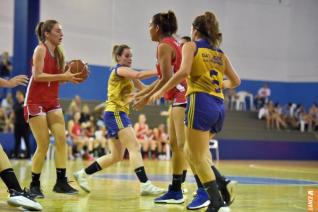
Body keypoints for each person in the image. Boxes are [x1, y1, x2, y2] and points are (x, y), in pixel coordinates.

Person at [150, 11, 241, 212]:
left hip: (200, 102)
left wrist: (161, 91)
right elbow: (236, 81)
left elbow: (182, 72)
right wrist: (216, 84)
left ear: (195, 30)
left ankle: (217, 201)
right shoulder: (220, 53)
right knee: (193, 152)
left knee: (195, 155)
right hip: (219, 106)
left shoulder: (190, 46)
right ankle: (221, 185)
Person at [73, 44, 164, 196]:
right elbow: (138, 75)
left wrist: (161, 87)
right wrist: (160, 70)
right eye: (127, 56)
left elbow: (143, 87)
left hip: (115, 114)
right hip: (115, 113)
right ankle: (145, 184)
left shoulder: (128, 75)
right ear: (118, 58)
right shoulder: (119, 70)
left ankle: (83, 173)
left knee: (116, 156)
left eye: (131, 56)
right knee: (134, 146)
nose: (130, 59)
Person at [132, 10, 189, 205]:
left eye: (150, 25)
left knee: (183, 146)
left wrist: (147, 97)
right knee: (176, 146)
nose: (148, 29)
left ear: (157, 28)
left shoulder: (164, 46)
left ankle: (210, 187)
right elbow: (162, 78)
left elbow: (165, 79)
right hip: (178, 99)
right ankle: (176, 189)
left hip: (182, 97)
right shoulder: (171, 43)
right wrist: (141, 94)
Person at [25, 20, 82, 198]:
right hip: (35, 101)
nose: (61, 33)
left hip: (51, 100)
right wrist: (62, 75)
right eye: (58, 31)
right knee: (43, 143)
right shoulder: (40, 49)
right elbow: (38, 75)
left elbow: (58, 79)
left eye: (62, 31)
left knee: (61, 140)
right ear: (47, 33)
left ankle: (61, 182)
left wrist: (71, 76)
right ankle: (34, 185)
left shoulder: (59, 52)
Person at [0, 75, 42, 210]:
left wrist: (7, 83)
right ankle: (15, 190)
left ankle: (15, 190)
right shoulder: (16, 105)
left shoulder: (24, 102)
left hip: (24, 127)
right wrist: (7, 83)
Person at [13, 90, 31, 159]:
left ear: (21, 95)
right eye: (16, 94)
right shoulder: (15, 104)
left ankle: (28, 155)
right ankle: (15, 155)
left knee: (27, 141)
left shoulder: (26, 103)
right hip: (17, 126)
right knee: (17, 141)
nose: (17, 96)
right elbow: (14, 113)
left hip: (25, 126)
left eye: (18, 94)